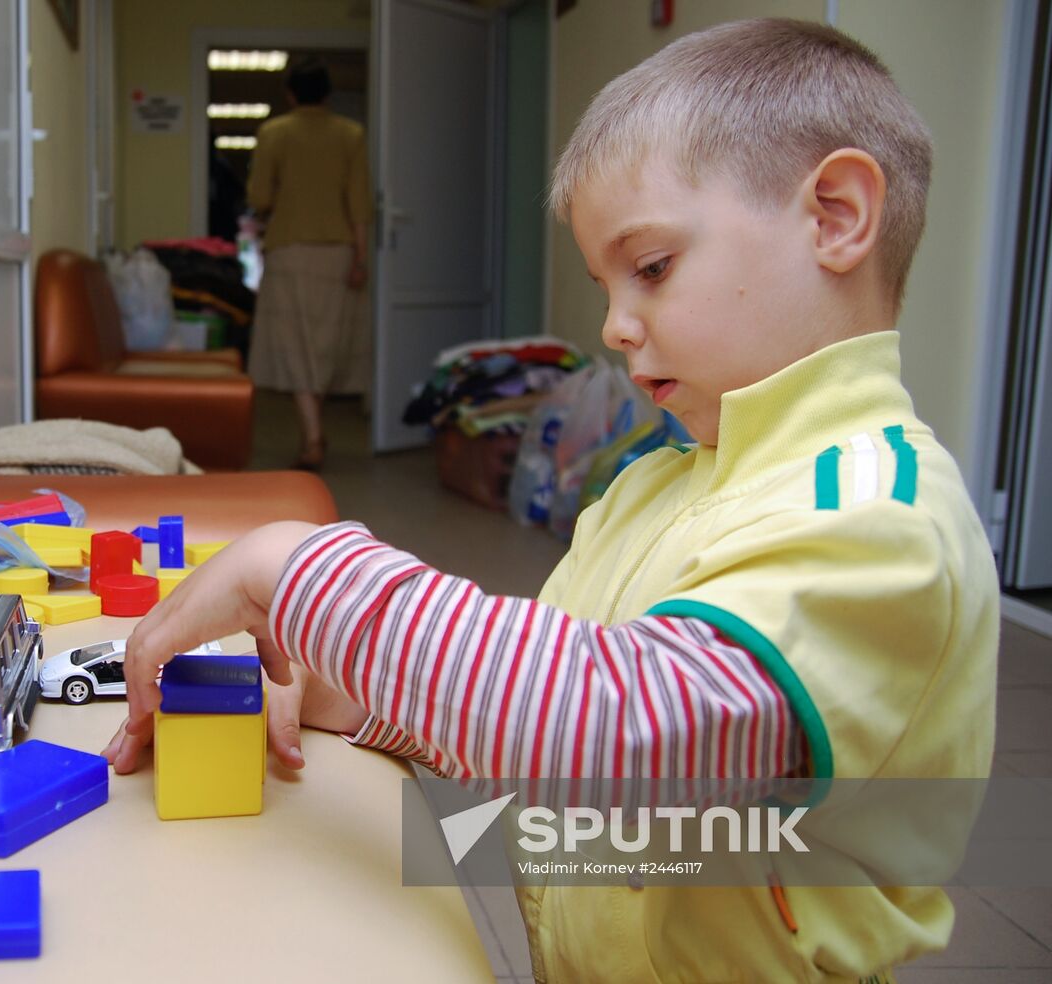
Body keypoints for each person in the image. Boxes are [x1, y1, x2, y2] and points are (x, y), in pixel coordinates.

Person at [105, 19, 998, 982]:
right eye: (605, 284)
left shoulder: (879, 518)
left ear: (834, 214)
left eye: (651, 267)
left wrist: (296, 571)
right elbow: (536, 727)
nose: (614, 325)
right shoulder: (660, 481)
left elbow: (621, 735)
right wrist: (346, 696)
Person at [245, 56, 373, 471]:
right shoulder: (351, 134)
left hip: (288, 250)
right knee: (325, 344)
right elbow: (359, 203)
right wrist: (360, 256)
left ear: (290, 94)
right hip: (338, 253)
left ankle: (312, 437)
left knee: (296, 344)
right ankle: (314, 431)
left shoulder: (274, 132)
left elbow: (259, 197)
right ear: (329, 95)